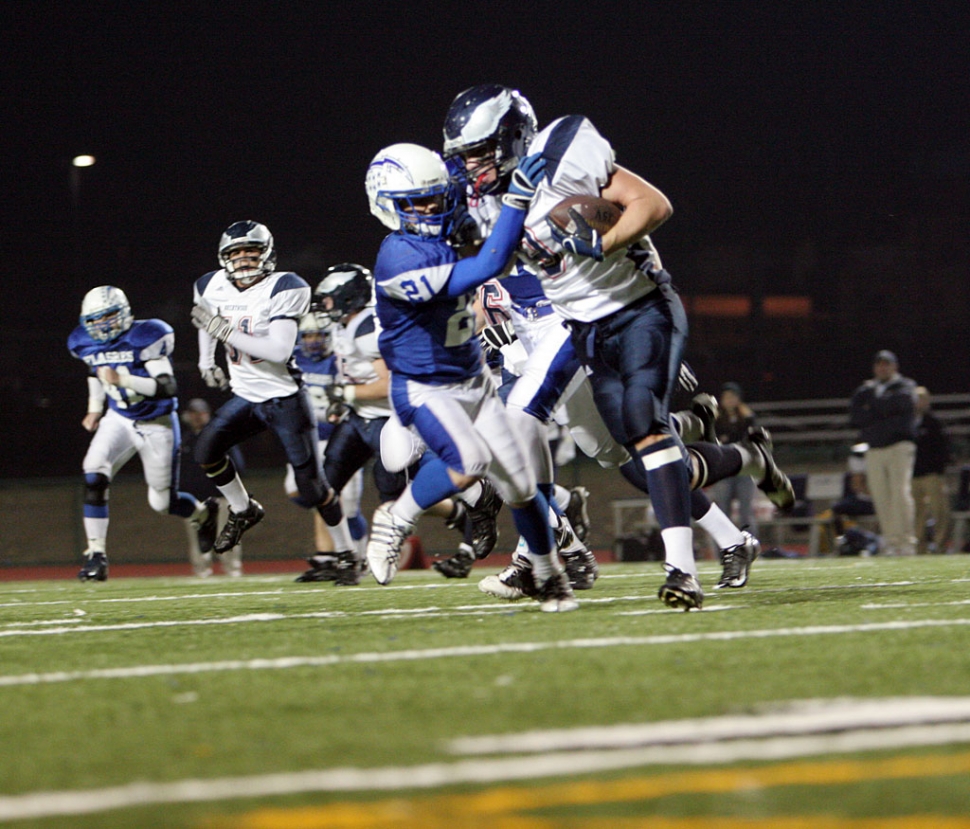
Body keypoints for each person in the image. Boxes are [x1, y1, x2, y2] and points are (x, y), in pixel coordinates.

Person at [441, 86, 792, 606]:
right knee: (633, 458)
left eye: (478, 152)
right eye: (462, 156)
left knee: (545, 426)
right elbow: (480, 269)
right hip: (579, 326)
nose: (470, 167)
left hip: (625, 312)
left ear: (512, 138)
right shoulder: (486, 204)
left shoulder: (561, 157)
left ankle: (553, 557)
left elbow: (652, 204)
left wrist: (598, 242)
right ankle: (736, 490)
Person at [364, 141, 578, 611]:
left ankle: (549, 576)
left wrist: (489, 171)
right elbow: (487, 264)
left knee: (521, 487)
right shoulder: (398, 257)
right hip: (425, 387)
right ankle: (396, 518)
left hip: (475, 382)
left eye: (433, 197)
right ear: (388, 207)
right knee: (469, 463)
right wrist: (518, 200)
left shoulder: (439, 221)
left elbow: (470, 190)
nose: (430, 208)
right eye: (415, 202)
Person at [191, 220, 342, 571]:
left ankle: (347, 553)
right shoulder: (209, 285)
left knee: (312, 487)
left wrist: (222, 330)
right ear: (223, 257)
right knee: (206, 450)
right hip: (246, 395)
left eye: (251, 251)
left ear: (267, 254)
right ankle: (244, 510)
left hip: (284, 397)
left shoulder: (285, 286)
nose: (243, 258)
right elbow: (206, 319)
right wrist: (205, 359)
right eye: (236, 252)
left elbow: (277, 350)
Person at [68, 285, 218, 581]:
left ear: (123, 314)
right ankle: (96, 555)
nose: (102, 325)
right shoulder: (84, 343)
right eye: (96, 320)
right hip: (119, 419)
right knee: (93, 473)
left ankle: (203, 515)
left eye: (108, 316)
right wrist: (95, 407)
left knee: (162, 503)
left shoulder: (146, 336)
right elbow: (93, 372)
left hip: (156, 422)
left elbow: (167, 386)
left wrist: (122, 378)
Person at [286, 310, 368, 581]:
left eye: (318, 335)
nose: (313, 341)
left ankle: (358, 554)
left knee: (349, 505)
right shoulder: (294, 358)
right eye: (308, 335)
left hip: (339, 438)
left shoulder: (339, 360)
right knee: (300, 491)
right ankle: (334, 554)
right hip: (307, 439)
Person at [849, 350, 918, 555]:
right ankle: (890, 541)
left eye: (887, 364)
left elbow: (903, 408)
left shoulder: (905, 385)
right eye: (879, 364)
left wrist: (874, 410)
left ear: (894, 367)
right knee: (880, 496)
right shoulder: (867, 390)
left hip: (899, 446)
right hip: (875, 447)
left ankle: (905, 541)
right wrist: (884, 411)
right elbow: (855, 416)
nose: (882, 368)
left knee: (900, 493)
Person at [180, 398, 244, 577]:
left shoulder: (219, 435)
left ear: (207, 414)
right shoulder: (186, 440)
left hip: (221, 496)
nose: (197, 417)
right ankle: (202, 571)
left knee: (228, 534)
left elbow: (238, 464)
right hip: (195, 498)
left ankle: (233, 569)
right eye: (194, 413)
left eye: (200, 413)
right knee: (198, 538)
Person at [708, 382, 758, 543]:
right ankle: (725, 547)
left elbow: (751, 440)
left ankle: (750, 545)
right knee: (723, 511)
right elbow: (714, 440)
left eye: (732, 397)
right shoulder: (716, 418)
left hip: (744, 469)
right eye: (726, 397)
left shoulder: (747, 417)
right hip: (724, 470)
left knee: (746, 512)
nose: (729, 400)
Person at [912, 386, 952, 554]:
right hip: (913, 476)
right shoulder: (905, 423)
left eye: (923, 399)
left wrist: (939, 471)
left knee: (939, 511)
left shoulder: (933, 422)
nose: (920, 402)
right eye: (917, 398)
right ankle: (919, 547)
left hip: (931, 475)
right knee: (916, 514)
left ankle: (940, 545)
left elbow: (943, 449)